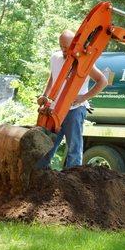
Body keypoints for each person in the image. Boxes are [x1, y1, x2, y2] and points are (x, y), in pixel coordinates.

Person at [37, 29, 108, 168]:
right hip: (55, 110)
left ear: (75, 44)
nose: (64, 50)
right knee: (47, 146)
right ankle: (40, 176)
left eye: (67, 47)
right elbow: (52, 78)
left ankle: (72, 180)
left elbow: (102, 81)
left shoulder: (84, 61)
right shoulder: (55, 58)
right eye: (61, 46)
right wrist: (45, 95)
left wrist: (83, 97)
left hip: (74, 110)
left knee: (74, 149)